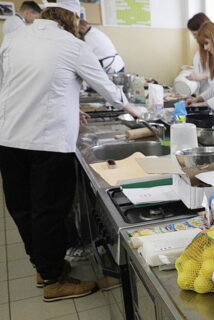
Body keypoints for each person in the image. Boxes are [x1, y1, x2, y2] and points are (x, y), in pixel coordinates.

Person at [0, 0, 142, 302]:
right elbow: (105, 87)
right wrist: (135, 110)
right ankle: (54, 281)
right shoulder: (71, 44)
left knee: (23, 209)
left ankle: (43, 267)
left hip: (8, 138)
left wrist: (68, 105)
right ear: (73, 17)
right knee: (49, 212)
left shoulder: (14, 37)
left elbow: (16, 85)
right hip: (47, 142)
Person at [185, 12, 211, 95]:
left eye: (196, 35)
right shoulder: (199, 53)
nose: (195, 38)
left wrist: (202, 76)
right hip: (206, 96)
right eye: (193, 35)